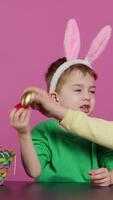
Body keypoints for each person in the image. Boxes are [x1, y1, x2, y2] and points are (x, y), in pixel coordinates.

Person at [9, 19, 113, 186]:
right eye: (78, 90)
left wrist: (110, 176)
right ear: (55, 99)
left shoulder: (96, 132)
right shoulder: (44, 131)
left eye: (91, 91)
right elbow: (34, 171)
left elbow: (111, 164)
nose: (87, 96)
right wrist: (23, 134)